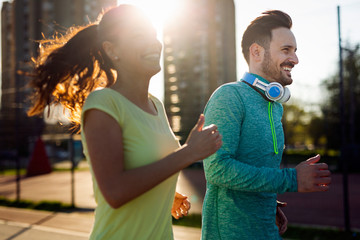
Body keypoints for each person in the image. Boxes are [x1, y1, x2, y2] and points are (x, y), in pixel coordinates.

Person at [27, 5, 222, 239]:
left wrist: (165, 193)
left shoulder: (156, 105)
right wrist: (188, 152)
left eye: (153, 35)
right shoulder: (103, 103)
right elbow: (115, 191)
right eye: (140, 36)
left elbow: (149, 164)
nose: (154, 43)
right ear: (112, 50)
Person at [201, 10, 331, 240]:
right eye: (286, 50)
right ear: (257, 52)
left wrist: (268, 201)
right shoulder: (229, 97)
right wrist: (291, 179)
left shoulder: (275, 106)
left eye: (295, 51)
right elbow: (217, 169)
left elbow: (255, 167)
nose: (295, 59)